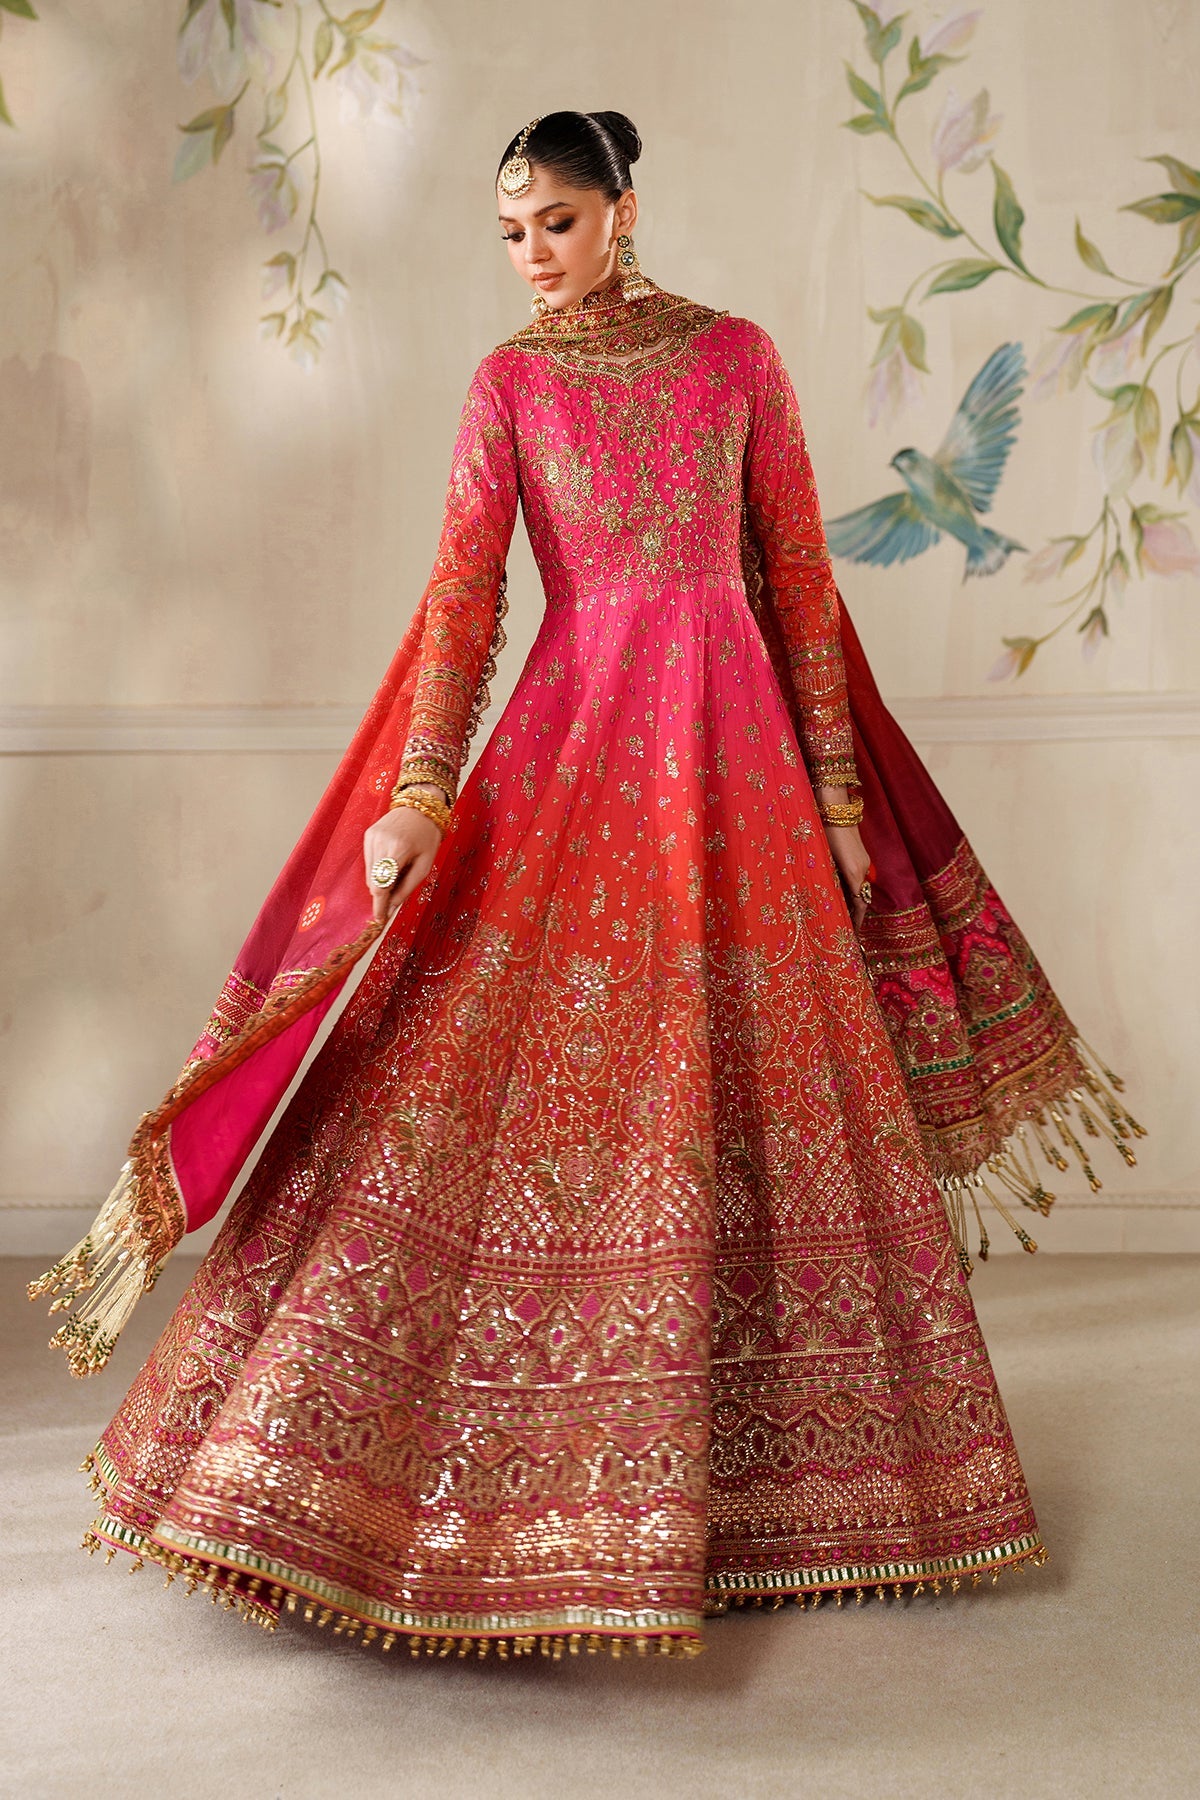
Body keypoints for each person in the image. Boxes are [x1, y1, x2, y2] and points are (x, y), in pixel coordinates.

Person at [32, 109, 1141, 1662]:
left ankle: (798, 1502)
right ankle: (401, 1488)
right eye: (510, 233)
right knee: (493, 1086)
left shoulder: (739, 360)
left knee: (759, 1091)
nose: (533, 256)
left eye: (555, 221)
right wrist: (421, 792)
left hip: (744, 762)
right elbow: (465, 597)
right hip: (576, 748)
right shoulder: (511, 383)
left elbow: (799, 583)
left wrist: (837, 797)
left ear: (623, 208)